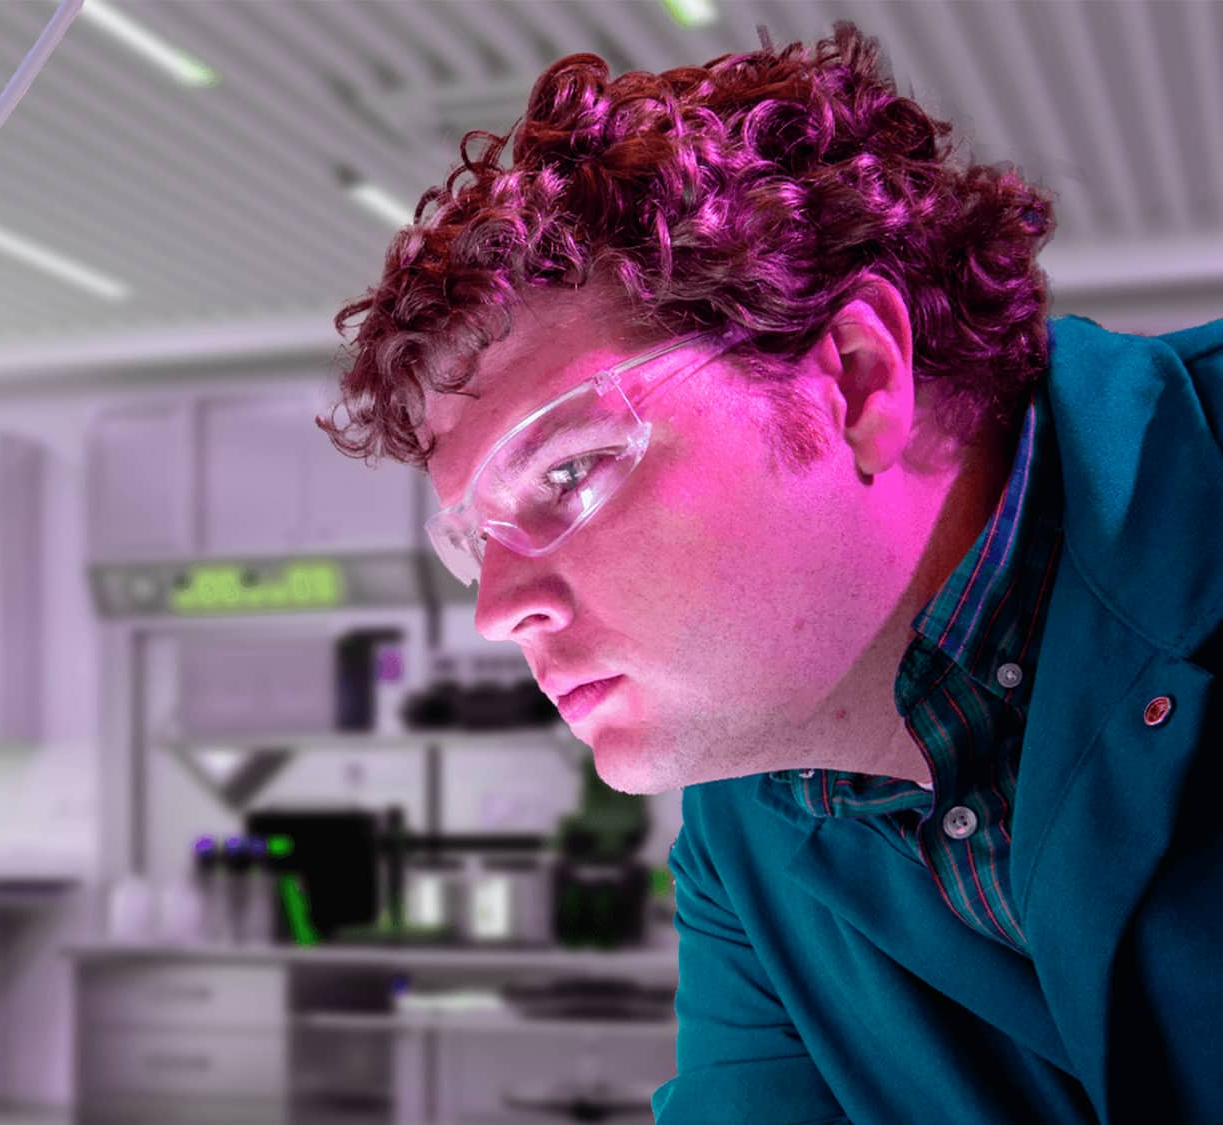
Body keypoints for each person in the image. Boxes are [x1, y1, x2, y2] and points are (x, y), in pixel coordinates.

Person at [321, 23, 1221, 1124]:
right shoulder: (745, 833)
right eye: (474, 539)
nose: (499, 608)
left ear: (853, 377)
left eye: (565, 471)